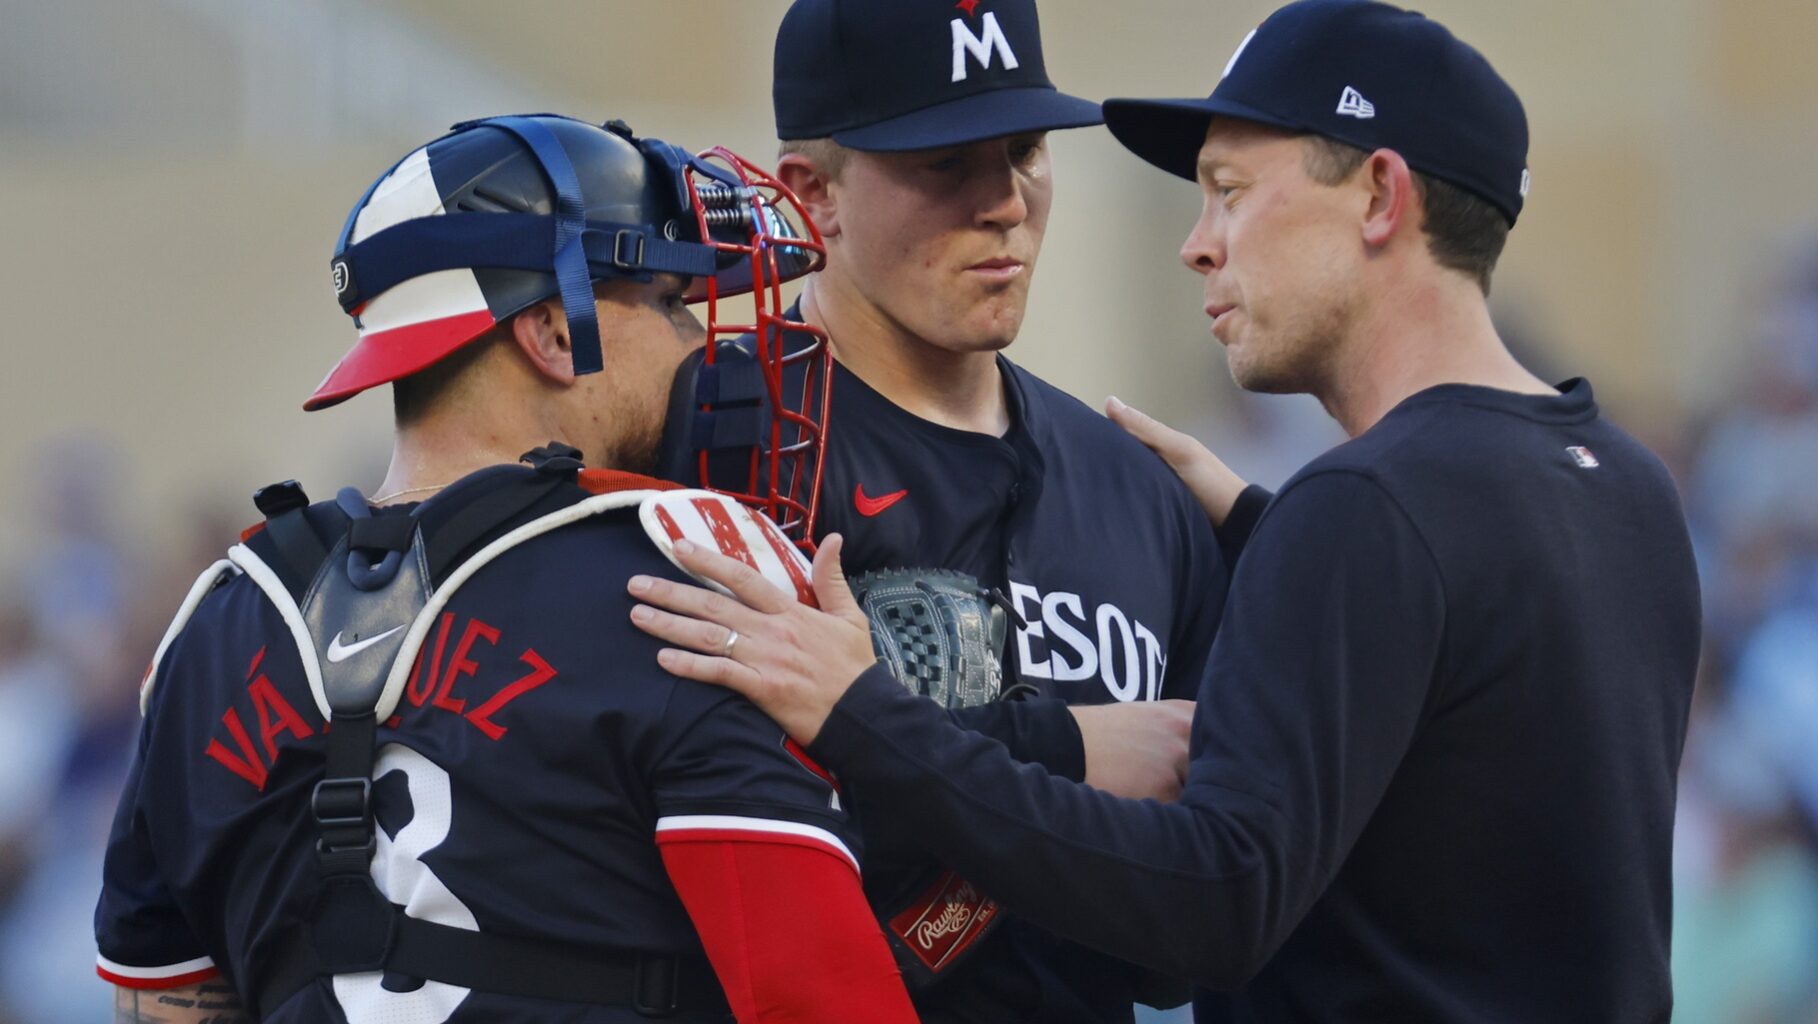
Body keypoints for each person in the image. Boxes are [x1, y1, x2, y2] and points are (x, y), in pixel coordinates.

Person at [627, 1, 1705, 1020]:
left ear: (1380, 197)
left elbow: (1210, 900)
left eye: (1230, 190)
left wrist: (867, 715)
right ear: (814, 192)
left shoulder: (1337, 509)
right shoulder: (1623, 485)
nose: (1197, 241)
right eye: (943, 164)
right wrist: (1086, 721)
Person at [94, 115, 917, 1024]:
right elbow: (824, 1000)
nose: (697, 343)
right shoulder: (687, 572)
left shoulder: (213, 623)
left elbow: (169, 1002)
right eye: (670, 303)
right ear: (555, 334)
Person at [655, 0, 1226, 1020]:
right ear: (811, 195)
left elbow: (1193, 918)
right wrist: (1069, 753)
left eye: (1026, 151)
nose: (1004, 201)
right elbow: (687, 799)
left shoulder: (1139, 490)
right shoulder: (721, 431)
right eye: (945, 163)